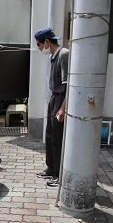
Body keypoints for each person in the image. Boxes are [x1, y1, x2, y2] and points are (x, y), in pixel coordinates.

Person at [34, 27, 69, 187]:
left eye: (40, 45)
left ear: (47, 42)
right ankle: (51, 168)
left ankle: (58, 174)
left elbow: (69, 85)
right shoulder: (54, 56)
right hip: (54, 98)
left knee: (57, 138)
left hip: (61, 98)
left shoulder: (64, 54)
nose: (39, 48)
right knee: (49, 134)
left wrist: (63, 108)